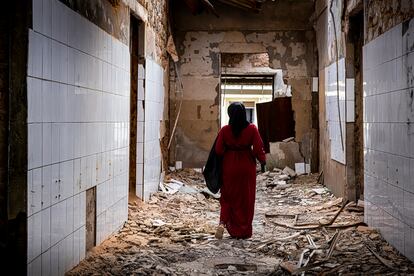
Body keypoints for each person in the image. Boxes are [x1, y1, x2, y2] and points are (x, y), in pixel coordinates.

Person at [214, 102, 266, 239]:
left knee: (228, 196)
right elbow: (258, 149)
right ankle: (244, 230)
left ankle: (223, 223)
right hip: (246, 167)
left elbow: (218, 150)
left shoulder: (225, 130)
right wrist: (263, 161)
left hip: (229, 166)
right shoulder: (252, 129)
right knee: (246, 198)